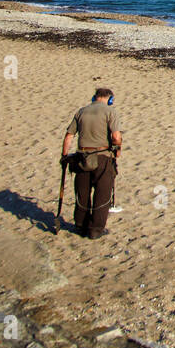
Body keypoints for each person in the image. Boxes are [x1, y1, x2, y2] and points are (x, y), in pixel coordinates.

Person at [61, 87, 122, 238]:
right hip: (102, 157)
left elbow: (69, 136)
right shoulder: (111, 112)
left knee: (82, 192)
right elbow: (116, 136)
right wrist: (117, 151)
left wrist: (64, 156)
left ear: (94, 98)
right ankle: (95, 229)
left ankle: (80, 225)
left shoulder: (81, 111)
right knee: (102, 193)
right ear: (110, 99)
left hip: (82, 156)